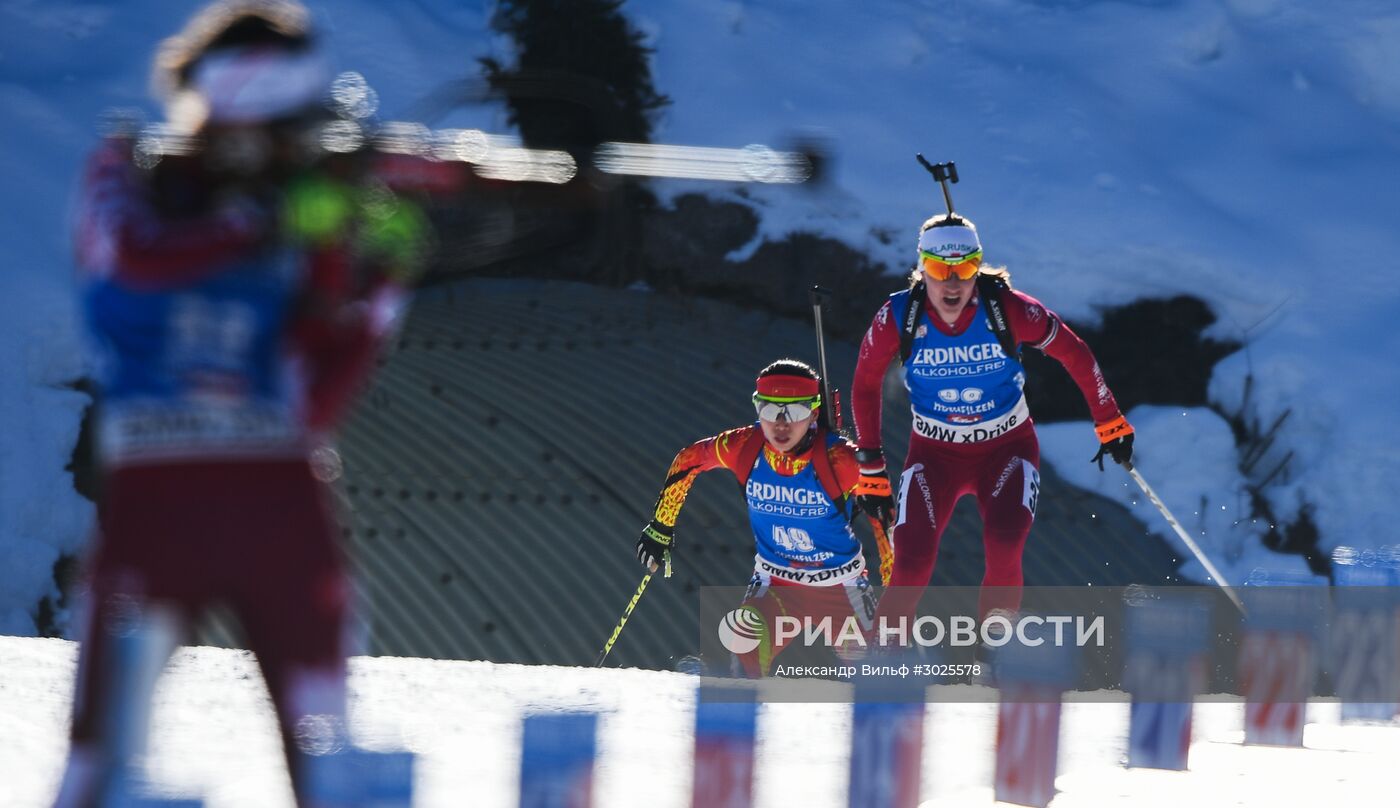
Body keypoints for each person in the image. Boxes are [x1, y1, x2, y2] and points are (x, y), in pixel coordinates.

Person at [55, 2, 428, 805]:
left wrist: (379, 290)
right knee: (97, 761)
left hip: (282, 508)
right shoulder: (129, 177)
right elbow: (131, 261)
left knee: (327, 759)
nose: (285, 151)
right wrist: (268, 219)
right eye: (279, 129)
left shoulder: (292, 216)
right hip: (157, 509)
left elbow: (313, 404)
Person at [849, 212, 1134, 640]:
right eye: (938, 269)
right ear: (921, 267)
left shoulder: (1009, 309)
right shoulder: (899, 315)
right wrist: (870, 465)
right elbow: (865, 383)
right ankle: (880, 659)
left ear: (978, 265)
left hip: (1006, 450)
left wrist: (1109, 419)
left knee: (1004, 546)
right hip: (934, 454)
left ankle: (992, 657)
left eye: (963, 268)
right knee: (910, 563)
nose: (951, 283)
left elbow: (1075, 352)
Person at [635, 360, 880, 676]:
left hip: (842, 587)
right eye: (768, 410)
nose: (780, 425)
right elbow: (690, 459)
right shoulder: (744, 446)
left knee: (876, 676)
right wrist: (660, 527)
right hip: (776, 584)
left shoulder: (841, 459)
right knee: (743, 659)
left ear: (814, 412)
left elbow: (887, 520)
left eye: (793, 412)